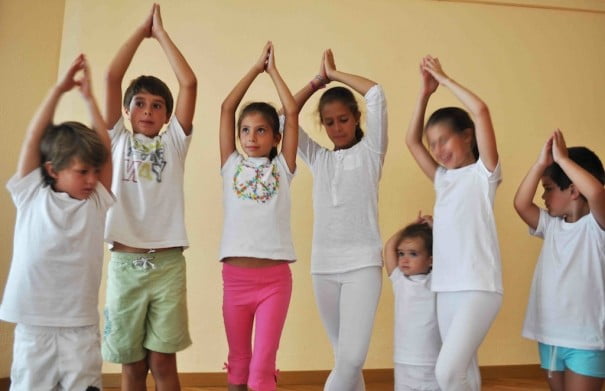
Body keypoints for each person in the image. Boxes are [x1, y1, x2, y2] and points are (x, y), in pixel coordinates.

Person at [0, 54, 113, 390]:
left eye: (95, 171)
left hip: (79, 328)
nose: (92, 179)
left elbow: (105, 150)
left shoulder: (95, 202)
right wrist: (58, 90)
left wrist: (90, 100)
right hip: (35, 326)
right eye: (82, 171)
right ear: (52, 169)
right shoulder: (31, 193)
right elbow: (33, 139)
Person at [101, 4, 197, 390]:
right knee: (132, 365)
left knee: (163, 361)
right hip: (125, 264)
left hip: (168, 264)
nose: (148, 110)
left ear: (167, 117)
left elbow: (189, 84)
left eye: (157, 106)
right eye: (139, 103)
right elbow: (111, 75)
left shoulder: (174, 143)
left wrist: (162, 37)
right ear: (126, 110)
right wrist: (141, 32)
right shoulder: (116, 141)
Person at [287, 49, 387, 391]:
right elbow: (285, 117)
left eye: (342, 119)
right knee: (343, 359)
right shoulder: (318, 158)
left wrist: (334, 73)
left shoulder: (371, 152)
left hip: (362, 265)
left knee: (351, 359)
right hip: (323, 268)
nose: (336, 127)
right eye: (328, 122)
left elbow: (376, 94)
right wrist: (316, 82)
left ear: (356, 117)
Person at [405, 55, 502, 391]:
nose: (437, 149)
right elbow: (411, 142)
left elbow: (481, 110)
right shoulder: (442, 179)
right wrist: (424, 93)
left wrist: (444, 80)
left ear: (468, 137)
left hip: (479, 285)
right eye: (434, 144)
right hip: (445, 286)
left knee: (447, 373)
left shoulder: (483, 174)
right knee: (464, 370)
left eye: (444, 139)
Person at [219, 41, 298, 391]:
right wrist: (254, 69)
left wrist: (274, 72)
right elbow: (226, 108)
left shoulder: (283, 167)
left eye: (261, 130)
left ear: (276, 137)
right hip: (234, 281)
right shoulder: (230, 165)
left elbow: (293, 113)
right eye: (246, 130)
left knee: (261, 368)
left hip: (274, 283)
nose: (252, 137)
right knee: (238, 364)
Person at [513, 129, 605, 391]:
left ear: (574, 190)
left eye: (549, 189)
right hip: (550, 335)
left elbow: (597, 194)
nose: (542, 197)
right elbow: (521, 204)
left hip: (587, 340)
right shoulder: (551, 225)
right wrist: (541, 164)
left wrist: (563, 160)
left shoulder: (597, 226)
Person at [384, 217, 441, 391]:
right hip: (404, 361)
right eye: (401, 254)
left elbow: (449, 254)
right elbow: (388, 248)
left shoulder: (437, 280)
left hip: (432, 361)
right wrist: (410, 226)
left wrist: (436, 228)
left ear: (431, 260)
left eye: (413, 254)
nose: (405, 260)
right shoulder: (400, 280)